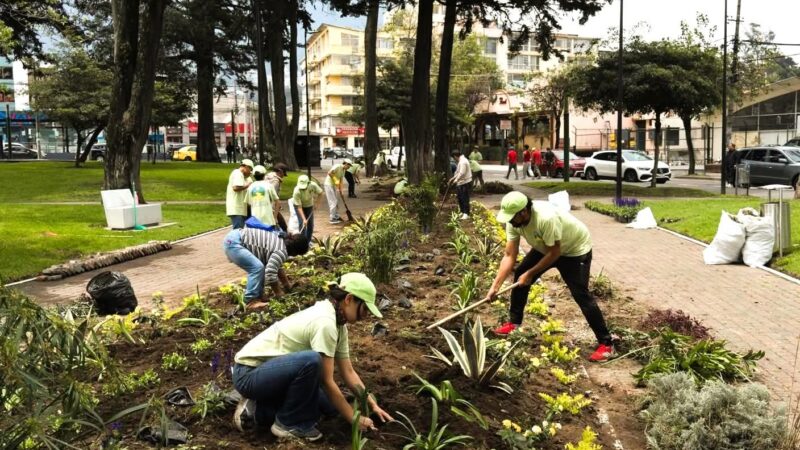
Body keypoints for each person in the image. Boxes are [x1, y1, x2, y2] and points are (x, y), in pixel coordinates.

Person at [231, 272, 394, 441]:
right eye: (365, 309)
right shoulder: (325, 323)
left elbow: (348, 372)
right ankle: (287, 424)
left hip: (273, 373)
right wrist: (353, 418)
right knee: (312, 362)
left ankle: (258, 409)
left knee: (329, 408)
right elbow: (326, 381)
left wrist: (372, 404)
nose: (365, 316)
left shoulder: (339, 325)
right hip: (248, 374)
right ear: (349, 299)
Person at [486, 191, 615, 362]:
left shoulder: (545, 218)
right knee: (520, 274)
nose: (509, 221)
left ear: (523, 212)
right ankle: (514, 323)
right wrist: (495, 287)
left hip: (574, 250)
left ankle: (606, 343)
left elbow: (555, 253)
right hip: (546, 247)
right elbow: (509, 255)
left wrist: (530, 274)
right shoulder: (514, 221)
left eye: (512, 217)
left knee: (580, 294)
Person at [222, 224, 309, 310]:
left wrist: (287, 285)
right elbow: (270, 273)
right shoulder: (281, 250)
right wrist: (278, 293)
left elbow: (277, 267)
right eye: (297, 254)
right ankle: (250, 301)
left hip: (234, 237)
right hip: (235, 243)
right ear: (295, 250)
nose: (294, 256)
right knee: (257, 268)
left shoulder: (282, 240)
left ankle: (259, 297)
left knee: (260, 267)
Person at [291, 174, 323, 242]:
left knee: (310, 224)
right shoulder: (296, 191)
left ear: (308, 183)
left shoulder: (313, 185)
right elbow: (299, 207)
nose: (303, 189)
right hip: (299, 205)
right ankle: (302, 241)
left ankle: (308, 240)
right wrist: (304, 219)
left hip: (309, 205)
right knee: (302, 223)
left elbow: (320, 193)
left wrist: (317, 203)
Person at [227, 159, 254, 229]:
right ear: (246, 167)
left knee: (246, 230)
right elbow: (236, 188)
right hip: (237, 209)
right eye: (250, 169)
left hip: (243, 209)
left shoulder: (246, 178)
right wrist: (248, 185)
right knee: (238, 230)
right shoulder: (237, 173)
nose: (250, 172)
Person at [324, 159, 352, 224]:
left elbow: (341, 181)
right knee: (333, 202)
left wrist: (341, 190)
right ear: (346, 164)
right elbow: (329, 173)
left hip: (333, 185)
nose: (349, 167)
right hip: (328, 185)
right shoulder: (337, 166)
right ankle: (332, 218)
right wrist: (335, 179)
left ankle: (336, 216)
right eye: (349, 166)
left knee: (336, 201)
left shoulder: (343, 171)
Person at [449, 150, 472, 220]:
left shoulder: (463, 162)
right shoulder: (461, 161)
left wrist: (456, 180)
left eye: (454, 158)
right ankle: (462, 212)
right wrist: (453, 178)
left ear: (455, 156)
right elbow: (458, 172)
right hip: (461, 183)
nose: (454, 160)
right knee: (460, 198)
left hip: (465, 183)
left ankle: (466, 213)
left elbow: (462, 173)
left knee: (465, 198)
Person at [266, 163, 289, 230]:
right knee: (283, 227)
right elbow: (272, 195)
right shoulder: (275, 181)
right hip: (270, 208)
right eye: (283, 173)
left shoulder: (266, 177)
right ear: (280, 171)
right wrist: (275, 212)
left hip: (263, 206)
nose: (283, 176)